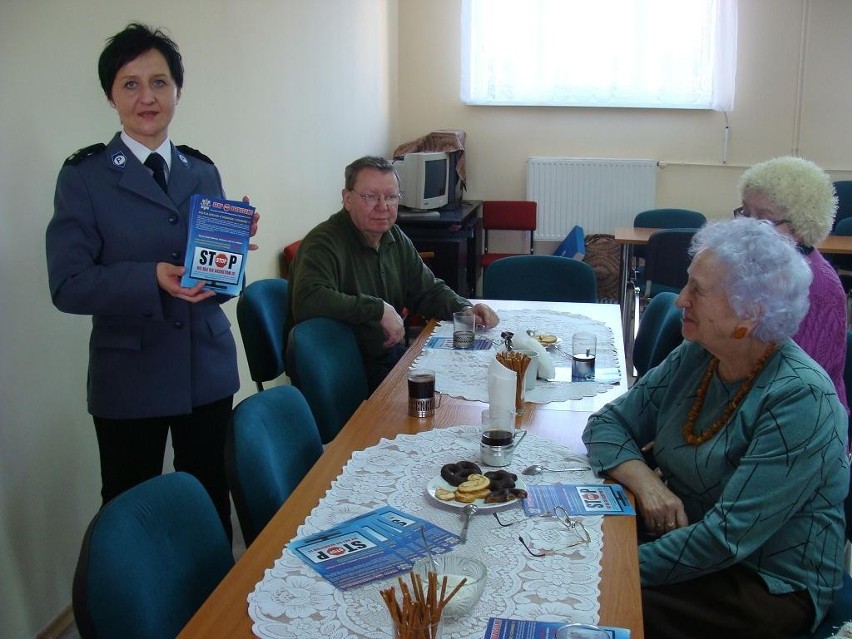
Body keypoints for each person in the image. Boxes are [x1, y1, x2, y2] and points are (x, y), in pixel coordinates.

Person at [582, 218, 848, 639]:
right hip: (684, 541)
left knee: (596, 605)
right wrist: (650, 487)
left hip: (764, 580)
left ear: (751, 312)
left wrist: (610, 568)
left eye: (699, 291)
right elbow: (606, 423)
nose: (679, 300)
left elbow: (727, 539)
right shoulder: (700, 355)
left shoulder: (801, 398)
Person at [46, 23, 258, 540]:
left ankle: (209, 611)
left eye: (160, 82)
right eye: (131, 84)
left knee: (210, 496)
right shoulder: (85, 177)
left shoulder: (201, 171)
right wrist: (150, 279)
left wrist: (232, 256)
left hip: (204, 370)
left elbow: (225, 286)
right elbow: (68, 284)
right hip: (130, 376)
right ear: (111, 95)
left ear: (177, 91)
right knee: (129, 510)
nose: (147, 98)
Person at [287, 155, 499, 391]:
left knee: (476, 381)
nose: (382, 206)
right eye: (370, 197)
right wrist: (378, 309)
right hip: (342, 372)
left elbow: (426, 289)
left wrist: (464, 308)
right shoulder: (323, 243)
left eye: (391, 197)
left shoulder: (394, 237)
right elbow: (307, 300)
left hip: (388, 359)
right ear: (347, 199)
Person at [737, 156, 848, 412]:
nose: (748, 227)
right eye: (745, 212)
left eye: (764, 219)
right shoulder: (759, 266)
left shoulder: (820, 288)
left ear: (800, 226)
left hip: (804, 421)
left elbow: (799, 385)